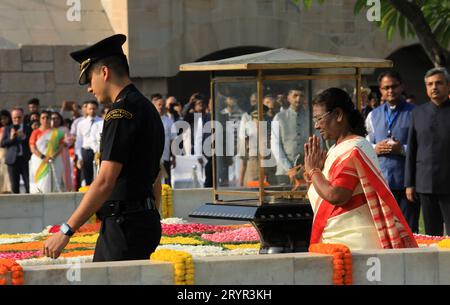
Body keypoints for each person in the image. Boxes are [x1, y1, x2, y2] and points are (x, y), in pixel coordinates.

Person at [43, 34, 164, 262]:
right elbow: (158, 172)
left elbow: (106, 180)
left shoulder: (120, 112)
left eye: (89, 79)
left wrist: (66, 231)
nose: (89, 89)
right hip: (141, 220)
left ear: (105, 73)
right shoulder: (145, 106)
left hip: (124, 226)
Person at [302, 88, 417, 250]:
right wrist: (314, 174)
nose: (316, 125)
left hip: (355, 245)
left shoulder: (355, 147)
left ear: (338, 115)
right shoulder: (336, 149)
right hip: (335, 243)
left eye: (319, 118)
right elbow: (319, 197)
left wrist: (314, 171)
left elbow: (336, 195)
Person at [365, 71, 419, 233]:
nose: (390, 91)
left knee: (409, 230)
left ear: (402, 87)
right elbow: (365, 142)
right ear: (380, 90)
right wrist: (375, 148)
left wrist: (401, 149)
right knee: (385, 230)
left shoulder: (416, 112)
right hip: (382, 182)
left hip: (406, 182)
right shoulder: (372, 115)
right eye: (385, 87)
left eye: (394, 86)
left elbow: (422, 146)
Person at [405, 67, 450, 236]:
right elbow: (412, 149)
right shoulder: (418, 112)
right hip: (425, 183)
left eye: (439, 83)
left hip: (449, 183)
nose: (434, 87)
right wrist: (409, 183)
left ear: (448, 86)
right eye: (430, 84)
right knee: (432, 235)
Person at [271, 87, 309, 185]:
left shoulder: (311, 117)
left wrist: (308, 166)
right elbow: (275, 145)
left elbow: (318, 143)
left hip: (307, 171)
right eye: (295, 95)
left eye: (301, 96)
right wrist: (289, 168)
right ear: (288, 98)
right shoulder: (279, 117)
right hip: (284, 172)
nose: (298, 99)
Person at [28, 111, 63, 193]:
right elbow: (32, 147)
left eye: (47, 118)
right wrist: (43, 157)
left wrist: (53, 156)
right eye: (43, 118)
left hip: (54, 160)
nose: (45, 120)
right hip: (39, 161)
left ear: (50, 119)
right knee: (40, 183)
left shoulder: (57, 133)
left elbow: (61, 146)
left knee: (53, 182)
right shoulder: (35, 132)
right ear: (40, 120)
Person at [1, 108, 32, 193]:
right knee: (14, 186)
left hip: (25, 159)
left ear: (22, 117)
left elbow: (32, 142)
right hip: (12, 160)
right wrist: (11, 138)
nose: (17, 119)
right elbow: (3, 143)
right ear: (12, 118)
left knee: (28, 184)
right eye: (15, 118)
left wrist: (24, 137)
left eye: (19, 117)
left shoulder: (28, 128)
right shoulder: (8, 128)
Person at [75, 100, 103, 186]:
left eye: (94, 108)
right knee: (85, 175)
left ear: (97, 109)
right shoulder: (81, 123)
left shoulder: (102, 122)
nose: (92, 110)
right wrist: (79, 156)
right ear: (86, 109)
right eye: (90, 108)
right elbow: (79, 141)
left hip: (98, 151)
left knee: (98, 173)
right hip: (86, 151)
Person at [0, 110, 12, 193]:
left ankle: (7, 189)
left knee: (7, 171)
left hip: (8, 151)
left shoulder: (11, 128)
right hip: (0, 152)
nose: (3, 120)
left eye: (5, 118)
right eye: (1, 119)